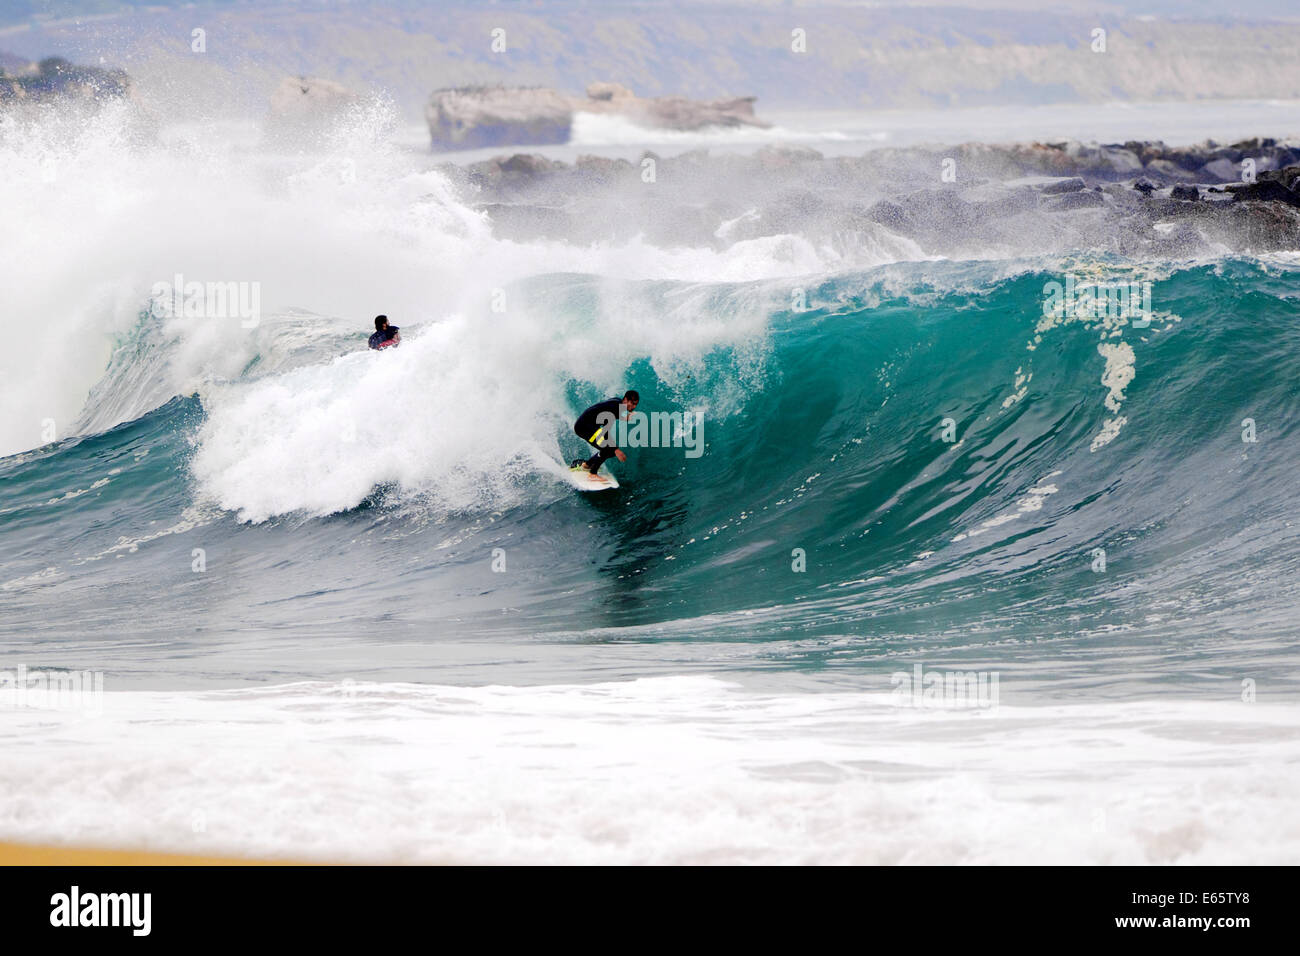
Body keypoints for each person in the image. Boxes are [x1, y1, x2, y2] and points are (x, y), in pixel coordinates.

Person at [572, 390, 639, 475]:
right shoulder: (614, 409)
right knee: (608, 449)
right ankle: (593, 473)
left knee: (610, 451)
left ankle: (587, 465)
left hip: (589, 426)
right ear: (625, 400)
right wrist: (616, 449)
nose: (634, 406)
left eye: (635, 404)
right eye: (632, 403)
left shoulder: (618, 402)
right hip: (584, 427)